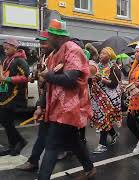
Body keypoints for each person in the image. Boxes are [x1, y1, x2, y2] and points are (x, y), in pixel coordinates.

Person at [37, 19, 95, 179]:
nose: (47, 40)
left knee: (52, 145)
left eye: (49, 37)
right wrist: (41, 106)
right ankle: (89, 168)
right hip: (55, 108)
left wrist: (48, 76)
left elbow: (70, 80)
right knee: (73, 141)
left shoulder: (73, 51)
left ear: (57, 37)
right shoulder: (53, 55)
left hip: (69, 108)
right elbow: (49, 85)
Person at [16, 31, 55, 172]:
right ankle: (86, 165)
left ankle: (34, 161)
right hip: (46, 100)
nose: (42, 45)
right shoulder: (42, 57)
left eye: (44, 42)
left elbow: (52, 82)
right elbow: (39, 75)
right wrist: (34, 77)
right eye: (40, 42)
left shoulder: (55, 58)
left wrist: (40, 104)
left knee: (45, 135)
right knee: (46, 133)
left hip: (54, 103)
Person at [0, 38, 29, 156]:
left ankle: (20, 141)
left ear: (15, 48)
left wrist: (8, 79)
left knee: (4, 119)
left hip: (15, 96)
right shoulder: (6, 60)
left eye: (7, 48)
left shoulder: (20, 60)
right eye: (4, 48)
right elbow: (5, 76)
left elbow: (25, 77)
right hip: (6, 94)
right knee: (6, 120)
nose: (5, 50)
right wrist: (1, 81)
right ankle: (13, 145)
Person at [90, 47, 122, 154]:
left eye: (104, 53)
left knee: (104, 119)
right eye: (100, 53)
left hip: (110, 98)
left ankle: (102, 144)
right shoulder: (97, 66)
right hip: (99, 97)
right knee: (103, 118)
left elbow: (114, 84)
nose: (101, 55)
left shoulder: (114, 67)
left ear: (109, 56)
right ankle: (113, 134)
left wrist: (102, 79)